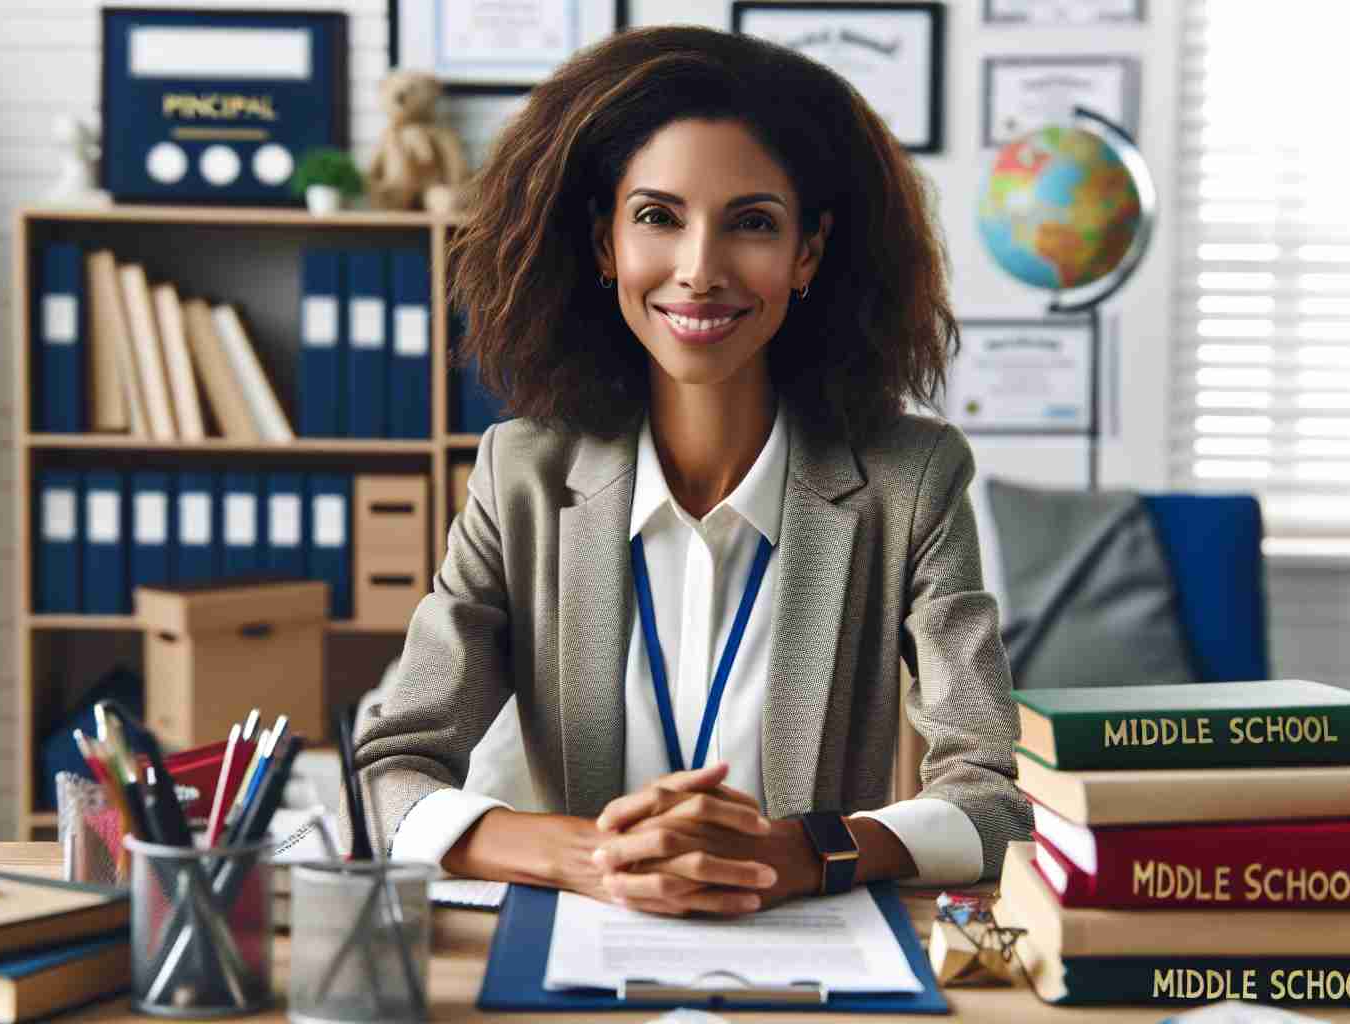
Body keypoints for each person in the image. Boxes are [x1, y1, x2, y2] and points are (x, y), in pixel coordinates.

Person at [352, 24, 1031, 917]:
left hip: (811, 962)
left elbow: (994, 799)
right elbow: (384, 772)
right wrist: (589, 854)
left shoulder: (911, 481)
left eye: (751, 223)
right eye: (657, 217)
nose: (699, 270)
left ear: (807, 255)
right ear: (605, 247)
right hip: (577, 959)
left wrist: (805, 852)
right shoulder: (519, 473)